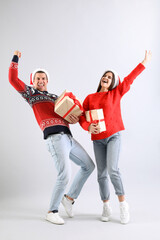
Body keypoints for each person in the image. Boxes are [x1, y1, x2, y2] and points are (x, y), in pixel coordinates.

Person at [9, 50, 95, 225]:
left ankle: (69, 198)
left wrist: (76, 115)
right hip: (55, 138)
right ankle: (52, 211)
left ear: (47, 81)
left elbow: (73, 115)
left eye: (44, 78)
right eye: (37, 78)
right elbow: (12, 79)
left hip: (68, 137)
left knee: (88, 166)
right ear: (34, 81)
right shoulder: (31, 95)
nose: (41, 81)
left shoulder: (57, 98)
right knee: (64, 174)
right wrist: (15, 58)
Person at [79, 50, 152, 224]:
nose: (106, 77)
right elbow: (82, 117)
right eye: (105, 75)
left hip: (113, 136)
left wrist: (144, 62)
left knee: (113, 170)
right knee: (101, 174)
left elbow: (129, 79)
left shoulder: (116, 93)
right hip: (97, 140)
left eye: (110, 77)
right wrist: (89, 126)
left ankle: (123, 205)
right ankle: (106, 206)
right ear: (101, 79)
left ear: (113, 82)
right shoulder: (90, 98)